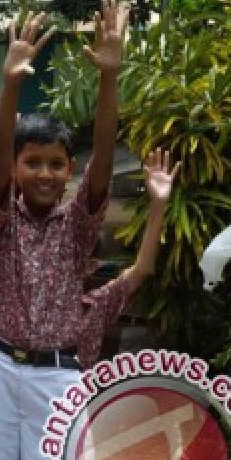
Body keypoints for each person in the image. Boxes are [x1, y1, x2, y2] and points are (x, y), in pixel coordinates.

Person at [0, 1, 128, 460]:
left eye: (57, 165)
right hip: (1, 370)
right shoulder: (1, 216)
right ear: (18, 165)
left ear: (69, 171)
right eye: (35, 163)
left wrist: (109, 76)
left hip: (60, 376)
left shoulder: (78, 223)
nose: (46, 175)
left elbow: (104, 157)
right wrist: (10, 84)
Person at [75, 147, 178, 369]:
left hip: (72, 397)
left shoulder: (96, 306)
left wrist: (158, 204)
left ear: (91, 266)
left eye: (74, 258)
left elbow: (142, 268)